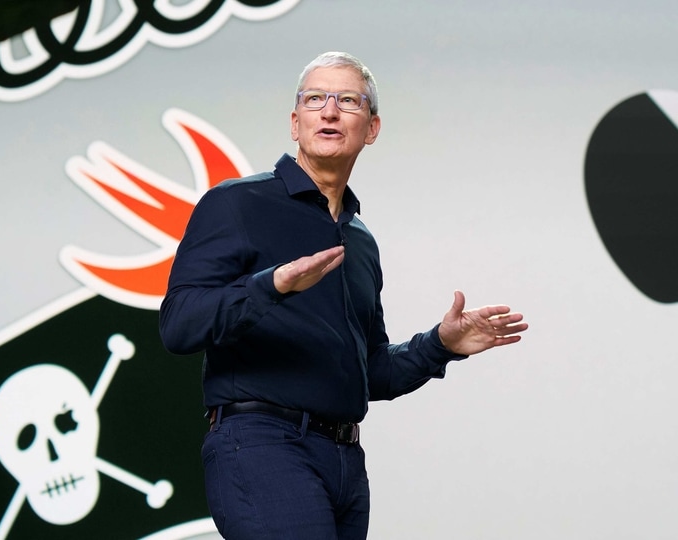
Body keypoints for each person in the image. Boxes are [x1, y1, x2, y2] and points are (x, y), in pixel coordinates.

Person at [159, 51, 528, 540]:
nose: (329, 111)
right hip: (261, 443)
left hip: (344, 461)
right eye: (315, 99)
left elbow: (370, 371)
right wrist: (271, 286)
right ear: (296, 122)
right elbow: (178, 325)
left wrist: (440, 344)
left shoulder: (359, 240)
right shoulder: (236, 204)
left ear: (371, 128)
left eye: (347, 101)